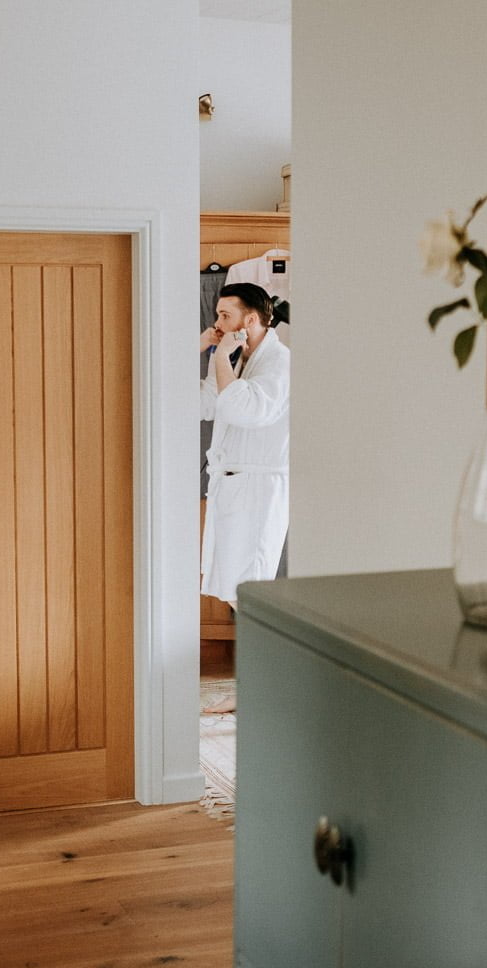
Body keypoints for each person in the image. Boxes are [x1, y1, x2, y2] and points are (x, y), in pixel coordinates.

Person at [199, 282, 289, 713]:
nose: (217, 323)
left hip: (259, 489)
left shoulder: (280, 362)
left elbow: (245, 410)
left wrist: (219, 357)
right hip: (233, 486)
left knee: (249, 588)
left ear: (250, 320)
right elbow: (203, 404)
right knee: (234, 589)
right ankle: (259, 683)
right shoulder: (237, 358)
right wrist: (203, 350)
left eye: (225, 316)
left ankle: (262, 685)